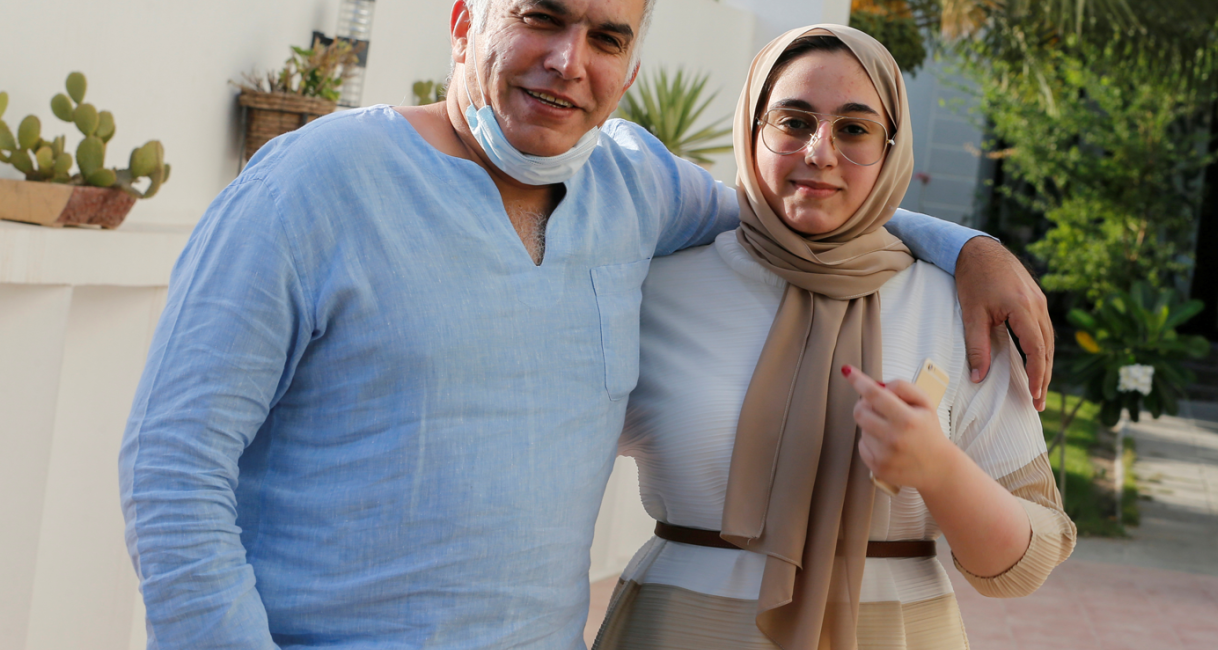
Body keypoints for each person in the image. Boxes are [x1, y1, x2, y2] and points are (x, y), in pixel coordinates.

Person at [119, 2, 1055, 649]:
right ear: (462, 22)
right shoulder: (314, 183)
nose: (572, 60)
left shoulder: (631, 189)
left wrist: (966, 246)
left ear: (630, 68)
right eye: (541, 16)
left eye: (607, 35)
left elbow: (796, 212)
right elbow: (173, 462)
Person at [593, 26, 1075, 650]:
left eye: (854, 129)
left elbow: (1025, 569)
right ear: (752, 128)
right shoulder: (657, 290)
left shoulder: (959, 307)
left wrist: (937, 468)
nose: (819, 152)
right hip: (683, 630)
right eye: (792, 121)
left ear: (891, 146)